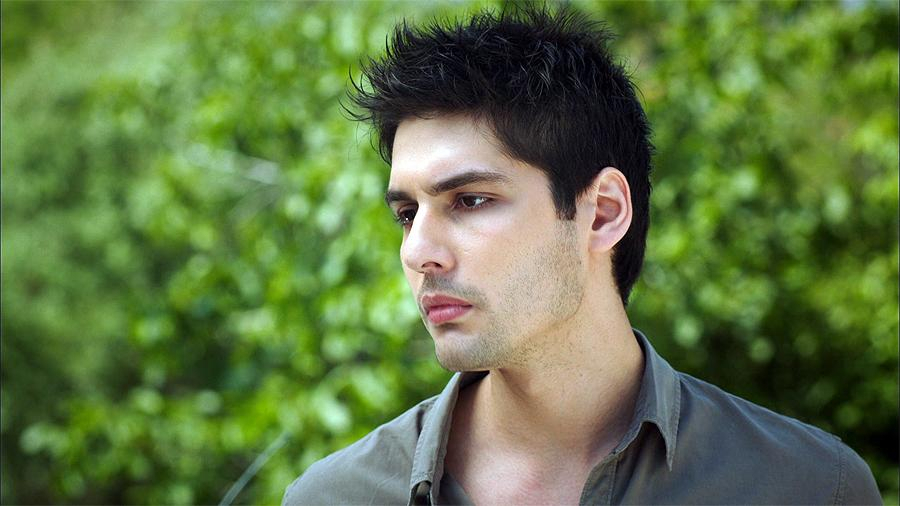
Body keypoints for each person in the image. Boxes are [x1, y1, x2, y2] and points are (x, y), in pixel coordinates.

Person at [283, 6, 882, 505]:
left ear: (602, 213)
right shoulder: (335, 497)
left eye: (470, 200)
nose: (418, 252)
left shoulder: (812, 487)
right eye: (407, 214)